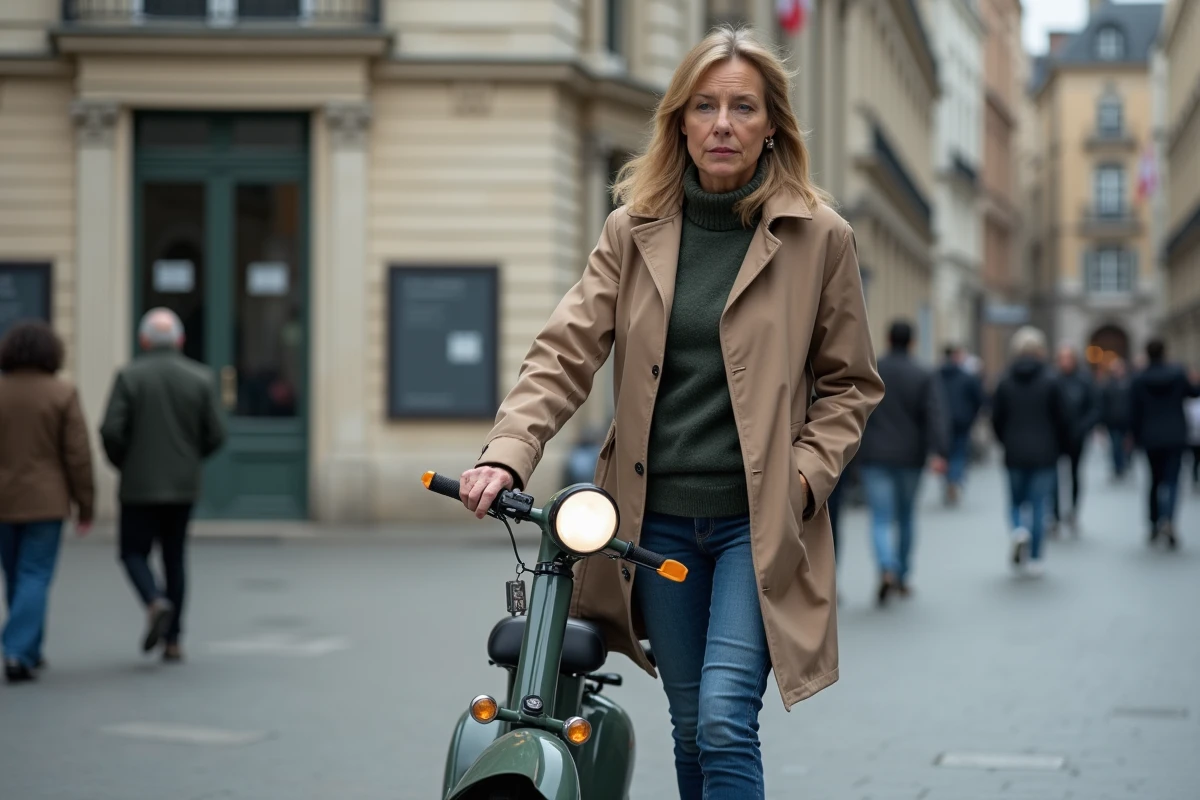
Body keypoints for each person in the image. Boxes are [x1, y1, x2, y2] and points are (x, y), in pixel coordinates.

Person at [454, 26, 884, 799]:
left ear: (771, 127)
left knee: (723, 718)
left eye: (743, 107)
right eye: (705, 105)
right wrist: (506, 451)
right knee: (689, 724)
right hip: (654, 526)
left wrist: (801, 482)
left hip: (757, 523)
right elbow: (563, 352)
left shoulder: (820, 238)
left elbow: (849, 385)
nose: (723, 123)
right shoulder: (632, 232)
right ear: (680, 122)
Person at [99, 308, 226, 662]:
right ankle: (173, 640)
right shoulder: (199, 378)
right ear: (180, 341)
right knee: (175, 557)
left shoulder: (130, 377)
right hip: (182, 485)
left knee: (132, 552)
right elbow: (216, 433)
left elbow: (110, 430)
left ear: (143, 341)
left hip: (139, 485)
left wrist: (124, 462)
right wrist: (191, 458)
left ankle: (153, 600)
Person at [0, 322, 95, 683]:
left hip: (3, 500)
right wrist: (86, 505)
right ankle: (18, 650)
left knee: (14, 574)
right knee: (34, 575)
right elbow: (78, 455)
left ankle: (27, 648)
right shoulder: (62, 393)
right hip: (46, 500)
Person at [857, 320, 949, 605]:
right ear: (911, 342)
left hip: (875, 456)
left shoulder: (873, 369)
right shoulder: (922, 373)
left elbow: (857, 409)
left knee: (881, 517)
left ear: (887, 339)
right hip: (911, 457)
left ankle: (886, 566)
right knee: (906, 517)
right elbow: (934, 414)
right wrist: (939, 452)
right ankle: (902, 574)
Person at [990, 327, 1069, 576]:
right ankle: (1035, 557)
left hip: (1014, 450)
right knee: (1038, 504)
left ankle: (1017, 530)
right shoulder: (1052, 380)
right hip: (1045, 452)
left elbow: (996, 418)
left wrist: (1005, 440)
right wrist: (1060, 444)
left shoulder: (1004, 380)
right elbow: (1063, 418)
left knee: (1015, 501)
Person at [1128, 339, 1200, 549]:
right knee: (1173, 480)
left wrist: (1133, 436)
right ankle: (1169, 519)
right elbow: (1194, 393)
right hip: (1175, 435)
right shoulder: (1177, 374)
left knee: (1154, 481)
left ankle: (1153, 523)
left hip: (1150, 436)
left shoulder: (1139, 378)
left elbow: (1134, 411)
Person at [1051, 345, 1099, 534]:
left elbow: (1094, 407)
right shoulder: (1053, 380)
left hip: (1077, 436)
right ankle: (1054, 514)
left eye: (1068, 358)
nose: (1065, 362)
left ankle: (1073, 513)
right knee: (1053, 477)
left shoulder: (1084, 381)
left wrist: (1083, 427)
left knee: (1075, 474)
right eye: (1062, 358)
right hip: (1056, 437)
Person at [937, 344, 983, 505]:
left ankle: (949, 480)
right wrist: (972, 417)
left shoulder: (936, 376)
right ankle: (954, 480)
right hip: (962, 421)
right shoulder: (967, 377)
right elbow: (978, 399)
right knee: (959, 453)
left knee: (945, 453)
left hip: (941, 422)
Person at [1099, 357, 1133, 481]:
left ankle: (1125, 463)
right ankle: (1118, 467)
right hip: (1112, 421)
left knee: (1127, 445)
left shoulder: (1130, 383)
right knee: (1115, 445)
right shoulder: (1107, 385)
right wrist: (1101, 424)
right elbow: (1102, 404)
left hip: (1127, 421)